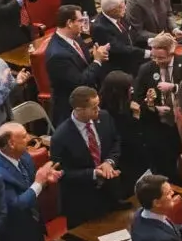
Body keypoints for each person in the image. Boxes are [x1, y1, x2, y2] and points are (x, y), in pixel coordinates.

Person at [51, 85, 127, 225]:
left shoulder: (104, 117)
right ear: (79, 110)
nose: (98, 109)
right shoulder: (60, 137)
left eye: (98, 105)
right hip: (82, 203)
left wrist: (109, 162)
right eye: (94, 107)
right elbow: (61, 173)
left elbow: (116, 141)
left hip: (110, 195)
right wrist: (93, 173)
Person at [0, 122, 60, 241]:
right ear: (11, 144)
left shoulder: (25, 157)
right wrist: (39, 182)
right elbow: (16, 206)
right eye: (24, 136)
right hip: (15, 239)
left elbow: (30, 187)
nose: (29, 139)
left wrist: (45, 181)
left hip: (35, 228)